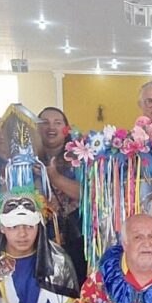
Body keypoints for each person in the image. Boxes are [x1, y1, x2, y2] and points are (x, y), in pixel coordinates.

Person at [39, 106, 88, 286]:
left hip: (74, 235)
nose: (51, 127)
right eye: (45, 123)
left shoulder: (79, 156)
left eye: (57, 123)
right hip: (38, 238)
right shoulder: (29, 157)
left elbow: (87, 194)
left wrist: (55, 178)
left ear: (66, 128)